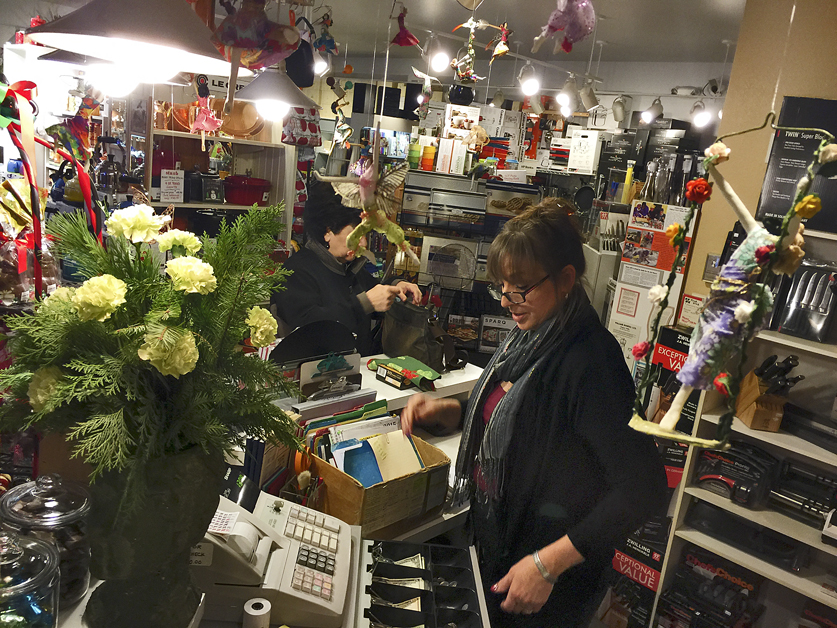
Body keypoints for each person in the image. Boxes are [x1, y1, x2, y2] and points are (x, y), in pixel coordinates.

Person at [401, 201, 667, 628]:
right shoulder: (532, 337)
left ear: (565, 279)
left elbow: (643, 489)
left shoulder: (591, 360)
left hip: (548, 579)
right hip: (501, 544)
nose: (508, 301)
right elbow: (513, 415)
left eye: (521, 287)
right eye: (502, 286)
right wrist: (448, 411)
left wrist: (547, 565)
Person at [273, 182, 421, 355]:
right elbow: (308, 326)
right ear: (328, 231)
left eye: (365, 235)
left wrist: (397, 286)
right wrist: (364, 304)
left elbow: (374, 289)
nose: (363, 243)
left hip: (356, 372)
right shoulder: (295, 272)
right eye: (357, 233)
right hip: (312, 376)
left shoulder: (348, 267)